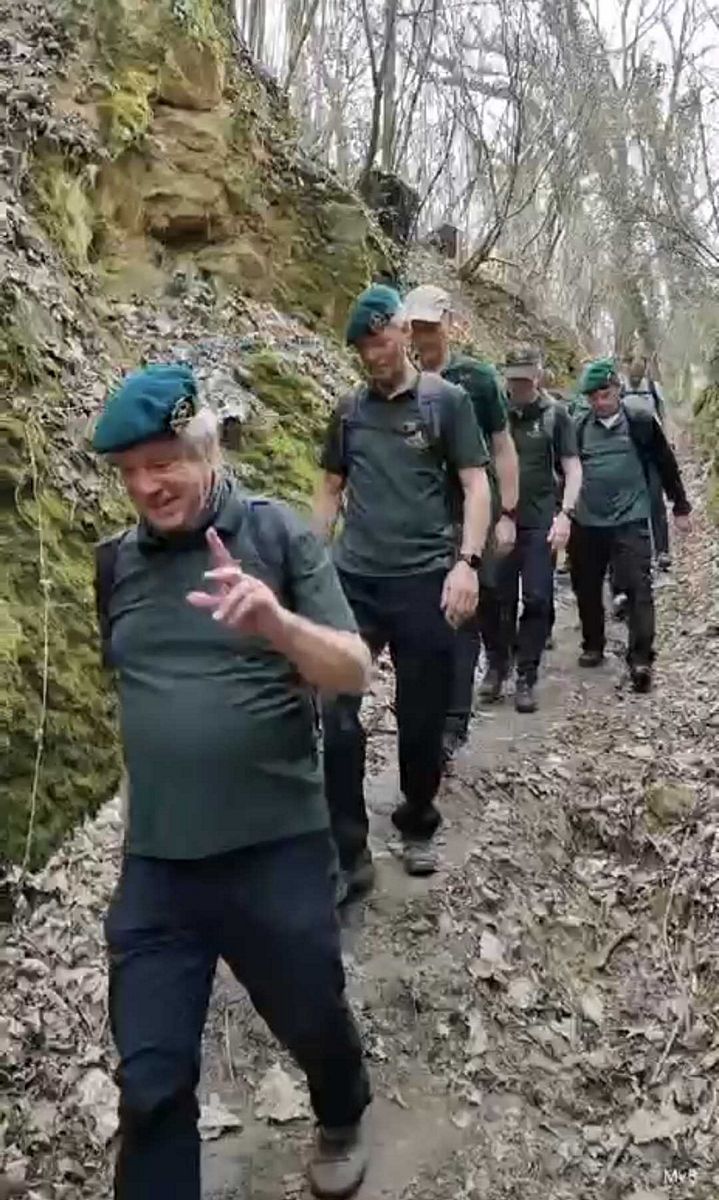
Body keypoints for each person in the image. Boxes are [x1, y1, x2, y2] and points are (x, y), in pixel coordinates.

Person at [92, 364, 372, 1200]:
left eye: (162, 463)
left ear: (206, 451)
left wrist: (277, 624)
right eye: (129, 470)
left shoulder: (277, 537)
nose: (146, 485)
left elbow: (352, 668)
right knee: (149, 1084)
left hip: (274, 849)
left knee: (311, 1015)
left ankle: (340, 1108)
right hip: (159, 869)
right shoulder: (114, 566)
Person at [314, 284, 492, 886]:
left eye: (380, 341)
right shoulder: (348, 412)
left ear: (402, 332)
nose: (373, 355)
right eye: (362, 348)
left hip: (423, 581)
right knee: (335, 711)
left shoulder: (446, 403)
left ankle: (417, 818)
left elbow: (475, 484)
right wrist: (312, 563)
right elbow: (330, 489)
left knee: (421, 717)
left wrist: (466, 563)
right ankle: (348, 851)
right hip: (354, 582)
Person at [403, 283, 519, 756]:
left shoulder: (478, 379)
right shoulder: (399, 380)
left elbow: (502, 445)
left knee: (462, 615)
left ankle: (453, 722)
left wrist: (508, 513)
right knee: (422, 618)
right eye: (415, 326)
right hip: (418, 518)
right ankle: (426, 715)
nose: (423, 336)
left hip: (469, 513)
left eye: (430, 326)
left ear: (449, 324)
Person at [569, 358, 691, 692]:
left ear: (617, 390)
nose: (600, 402)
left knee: (638, 586)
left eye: (605, 394)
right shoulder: (578, 428)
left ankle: (641, 660)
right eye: (593, 397)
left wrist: (680, 506)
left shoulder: (640, 422)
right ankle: (593, 643)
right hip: (587, 520)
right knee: (586, 586)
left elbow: (666, 464)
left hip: (630, 518)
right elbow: (564, 470)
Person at [480, 347, 582, 712]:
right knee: (494, 596)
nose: (519, 385)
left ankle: (527, 674)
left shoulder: (555, 415)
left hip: (539, 521)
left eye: (525, 378)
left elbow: (572, 467)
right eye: (513, 379)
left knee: (538, 598)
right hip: (497, 521)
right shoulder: (494, 413)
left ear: (538, 375)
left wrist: (565, 514)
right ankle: (497, 663)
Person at [621, 356, 671, 570]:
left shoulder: (653, 388)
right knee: (631, 502)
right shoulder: (620, 388)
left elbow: (663, 417)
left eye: (638, 375)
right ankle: (636, 551)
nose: (635, 379)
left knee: (655, 500)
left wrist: (666, 442)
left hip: (651, 450)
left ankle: (662, 550)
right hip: (629, 452)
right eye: (632, 375)